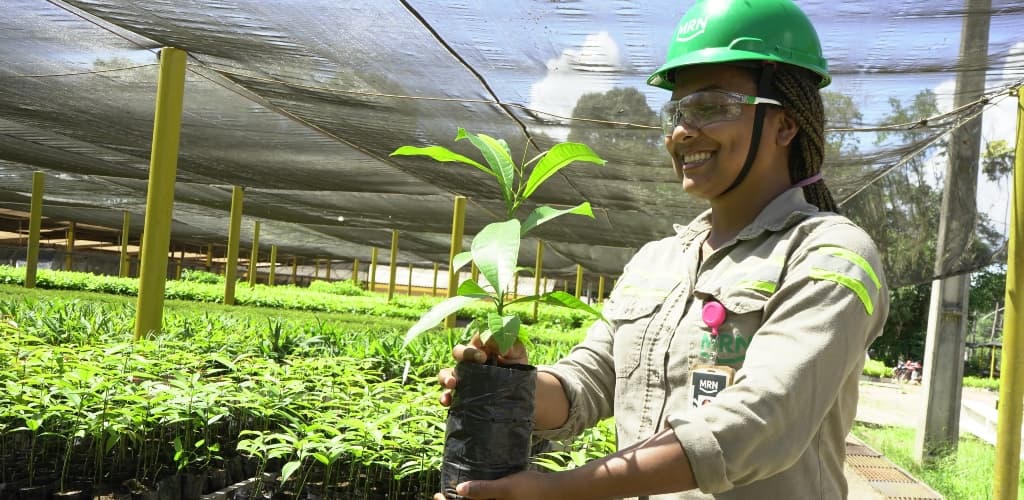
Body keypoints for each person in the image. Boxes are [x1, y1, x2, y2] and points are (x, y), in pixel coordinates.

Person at [436, 0, 889, 498]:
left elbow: (759, 424)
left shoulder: (831, 253)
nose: (680, 132)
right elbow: (587, 385)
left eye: (711, 107)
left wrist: (558, 489)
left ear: (785, 125)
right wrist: (514, 387)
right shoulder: (657, 260)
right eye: (677, 111)